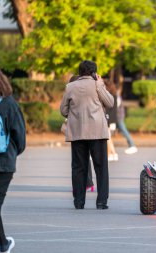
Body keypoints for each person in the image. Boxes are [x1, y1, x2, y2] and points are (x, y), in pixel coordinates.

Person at [0, 61, 26, 253]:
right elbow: (19, 135)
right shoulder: (8, 103)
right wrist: (14, 153)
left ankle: (3, 243)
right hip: (2, 162)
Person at [60, 60, 114, 209]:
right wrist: (100, 84)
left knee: (78, 167)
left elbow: (63, 110)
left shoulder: (70, 87)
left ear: (80, 72)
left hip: (77, 132)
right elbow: (110, 102)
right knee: (101, 167)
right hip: (97, 132)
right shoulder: (97, 85)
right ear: (94, 73)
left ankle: (79, 201)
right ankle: (102, 201)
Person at [67, 75, 95, 191]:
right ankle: (89, 183)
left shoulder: (71, 91)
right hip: (91, 129)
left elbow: (64, 110)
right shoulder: (90, 92)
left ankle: (81, 185)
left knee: (77, 161)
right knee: (86, 158)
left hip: (77, 130)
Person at [116, 89, 138, 154]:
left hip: (118, 116)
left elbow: (116, 106)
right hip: (118, 116)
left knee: (124, 130)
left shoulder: (117, 96)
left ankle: (132, 145)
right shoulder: (117, 95)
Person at [104, 81, 118, 162]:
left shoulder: (110, 96)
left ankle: (109, 154)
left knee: (108, 139)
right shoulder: (115, 95)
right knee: (109, 139)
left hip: (109, 119)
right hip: (113, 120)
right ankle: (114, 153)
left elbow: (109, 109)